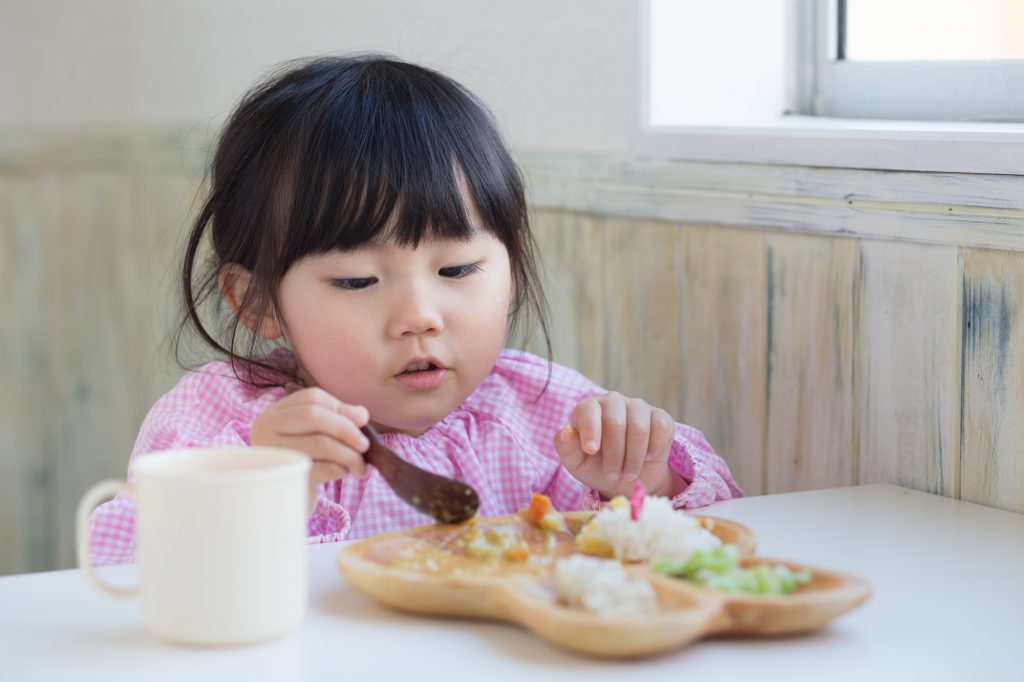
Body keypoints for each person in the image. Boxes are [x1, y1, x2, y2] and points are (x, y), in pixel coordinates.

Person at [89, 54, 742, 565]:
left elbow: (714, 540)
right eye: (356, 280)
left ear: (510, 272)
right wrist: (259, 483)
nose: (419, 315)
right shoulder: (221, 421)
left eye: (457, 270)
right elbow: (117, 566)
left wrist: (643, 476)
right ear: (258, 301)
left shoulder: (539, 412)